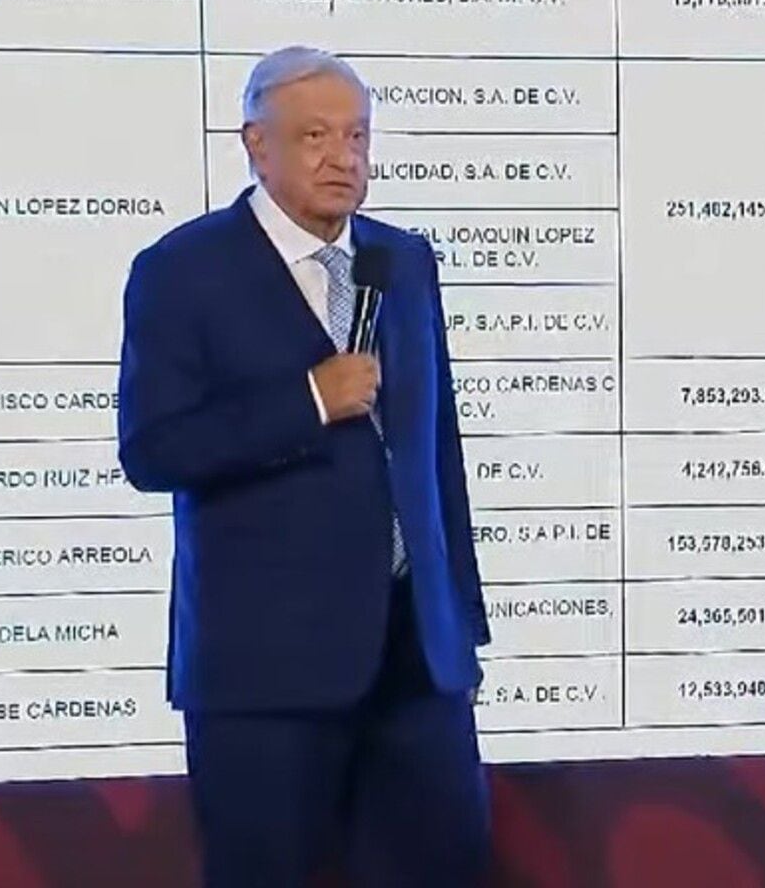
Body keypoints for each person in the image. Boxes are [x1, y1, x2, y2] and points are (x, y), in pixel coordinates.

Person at [115, 45, 493, 886]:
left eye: (357, 136)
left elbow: (438, 453)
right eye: (316, 135)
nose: (344, 158)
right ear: (257, 145)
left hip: (416, 661)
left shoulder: (402, 261)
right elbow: (152, 450)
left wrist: (459, 625)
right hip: (267, 672)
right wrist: (308, 402)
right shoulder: (182, 271)